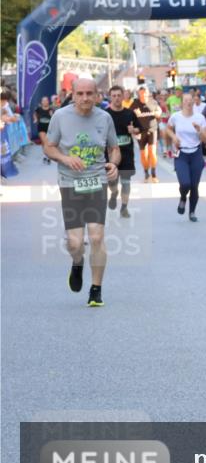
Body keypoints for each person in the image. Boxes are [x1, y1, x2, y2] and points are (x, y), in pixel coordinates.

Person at [42, 78, 120, 307]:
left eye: (90, 93)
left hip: (96, 181)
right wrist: (65, 158)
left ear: (97, 95)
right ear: (73, 95)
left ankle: (96, 290)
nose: (85, 98)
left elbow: (114, 149)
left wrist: (113, 164)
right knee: (75, 243)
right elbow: (49, 146)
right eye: (80, 94)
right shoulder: (60, 117)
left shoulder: (104, 118)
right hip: (70, 183)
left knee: (96, 236)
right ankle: (77, 263)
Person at [165, 92, 206, 222]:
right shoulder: (175, 116)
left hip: (196, 153)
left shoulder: (200, 118)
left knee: (194, 186)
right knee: (185, 183)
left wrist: (199, 130)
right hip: (181, 154)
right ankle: (183, 197)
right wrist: (174, 137)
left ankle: (192, 212)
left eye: (191, 100)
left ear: (194, 102)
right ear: (182, 102)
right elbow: (167, 129)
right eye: (186, 100)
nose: (188, 103)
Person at [105, 85, 141, 218]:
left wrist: (134, 130)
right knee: (112, 182)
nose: (116, 98)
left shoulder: (129, 113)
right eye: (113, 96)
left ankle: (124, 208)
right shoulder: (105, 114)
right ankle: (114, 194)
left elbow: (139, 128)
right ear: (110, 97)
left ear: (123, 96)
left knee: (126, 183)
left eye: (119, 95)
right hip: (110, 155)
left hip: (126, 154)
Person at [129, 87, 160, 182]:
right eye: (141, 93)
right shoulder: (135, 104)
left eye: (145, 93)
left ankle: (154, 174)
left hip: (152, 129)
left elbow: (159, 112)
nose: (143, 95)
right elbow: (129, 118)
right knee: (144, 154)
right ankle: (146, 173)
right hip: (140, 131)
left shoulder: (153, 102)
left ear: (148, 93)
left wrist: (157, 113)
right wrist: (133, 129)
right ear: (138, 94)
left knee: (152, 152)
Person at [34, 96, 54, 165]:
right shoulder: (38, 109)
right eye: (43, 100)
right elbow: (35, 114)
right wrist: (36, 119)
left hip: (49, 127)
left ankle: (46, 155)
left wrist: (52, 115)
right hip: (41, 127)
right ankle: (47, 156)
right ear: (41, 102)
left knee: (46, 142)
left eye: (46, 100)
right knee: (44, 141)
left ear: (48, 101)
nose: (45, 102)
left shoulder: (51, 109)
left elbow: (54, 117)